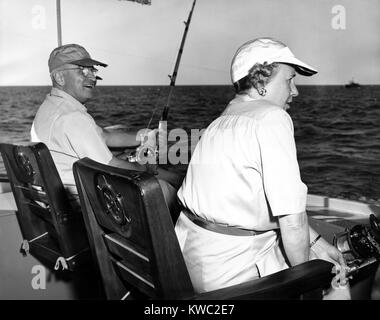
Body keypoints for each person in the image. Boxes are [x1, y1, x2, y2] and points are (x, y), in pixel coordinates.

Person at [175, 37, 347, 294]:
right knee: (340, 284)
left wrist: (317, 241)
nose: (295, 91)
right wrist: (310, 282)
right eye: (289, 79)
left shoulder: (223, 120)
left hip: (190, 258)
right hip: (234, 272)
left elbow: (260, 204)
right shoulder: (272, 117)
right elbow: (291, 221)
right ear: (260, 81)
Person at [31, 43, 181, 209]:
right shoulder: (72, 117)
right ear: (59, 77)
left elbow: (104, 135)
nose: (93, 77)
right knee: (166, 190)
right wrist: (145, 167)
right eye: (82, 70)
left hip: (61, 201)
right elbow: (112, 166)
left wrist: (144, 135)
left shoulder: (51, 107)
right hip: (85, 207)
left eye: (93, 70)